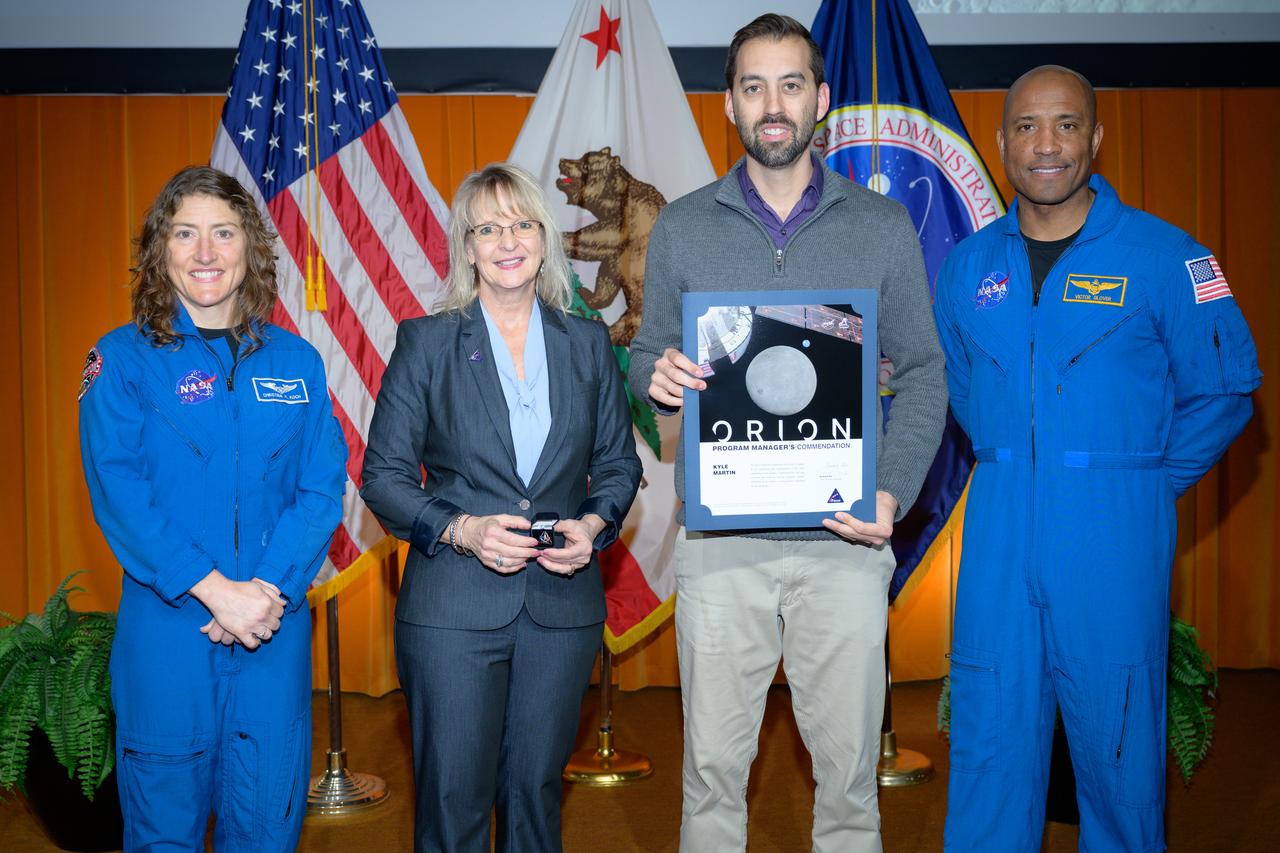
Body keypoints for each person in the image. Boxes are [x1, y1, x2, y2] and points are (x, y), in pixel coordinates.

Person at [627, 14, 947, 853]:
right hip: (722, 547)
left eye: (791, 84)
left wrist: (893, 490)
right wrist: (652, 375)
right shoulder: (685, 226)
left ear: (822, 99)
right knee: (711, 781)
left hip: (843, 541)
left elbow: (922, 372)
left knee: (847, 785)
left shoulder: (880, 226)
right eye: (754, 86)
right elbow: (642, 351)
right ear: (728, 103)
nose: (774, 104)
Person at [934, 66, 1261, 852]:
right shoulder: (968, 268)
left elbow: (1225, 394)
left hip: (1112, 539)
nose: (1045, 145)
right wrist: (1023, 463)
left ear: (1096, 138)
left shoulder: (1169, 259)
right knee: (988, 735)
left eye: (1066, 125)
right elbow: (961, 389)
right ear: (1003, 140)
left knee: (1119, 746)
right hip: (1000, 534)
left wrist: (1137, 478)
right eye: (1025, 127)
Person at [360, 162, 642, 853]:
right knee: (453, 803)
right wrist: (462, 528)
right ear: (468, 246)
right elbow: (384, 477)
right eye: (488, 227)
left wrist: (594, 524)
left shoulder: (587, 344)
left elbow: (618, 463)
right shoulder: (427, 343)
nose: (507, 240)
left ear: (544, 240)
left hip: (562, 609)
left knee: (536, 795)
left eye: (521, 224)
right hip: (452, 612)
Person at [78, 165, 347, 852]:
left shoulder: (298, 361)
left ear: (249, 247)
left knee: (265, 824)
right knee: (162, 828)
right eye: (185, 233)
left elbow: (321, 488)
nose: (205, 253)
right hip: (169, 629)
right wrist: (215, 592)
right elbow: (121, 493)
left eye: (223, 233)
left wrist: (265, 592)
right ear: (159, 249)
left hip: (271, 627)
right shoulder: (121, 361)